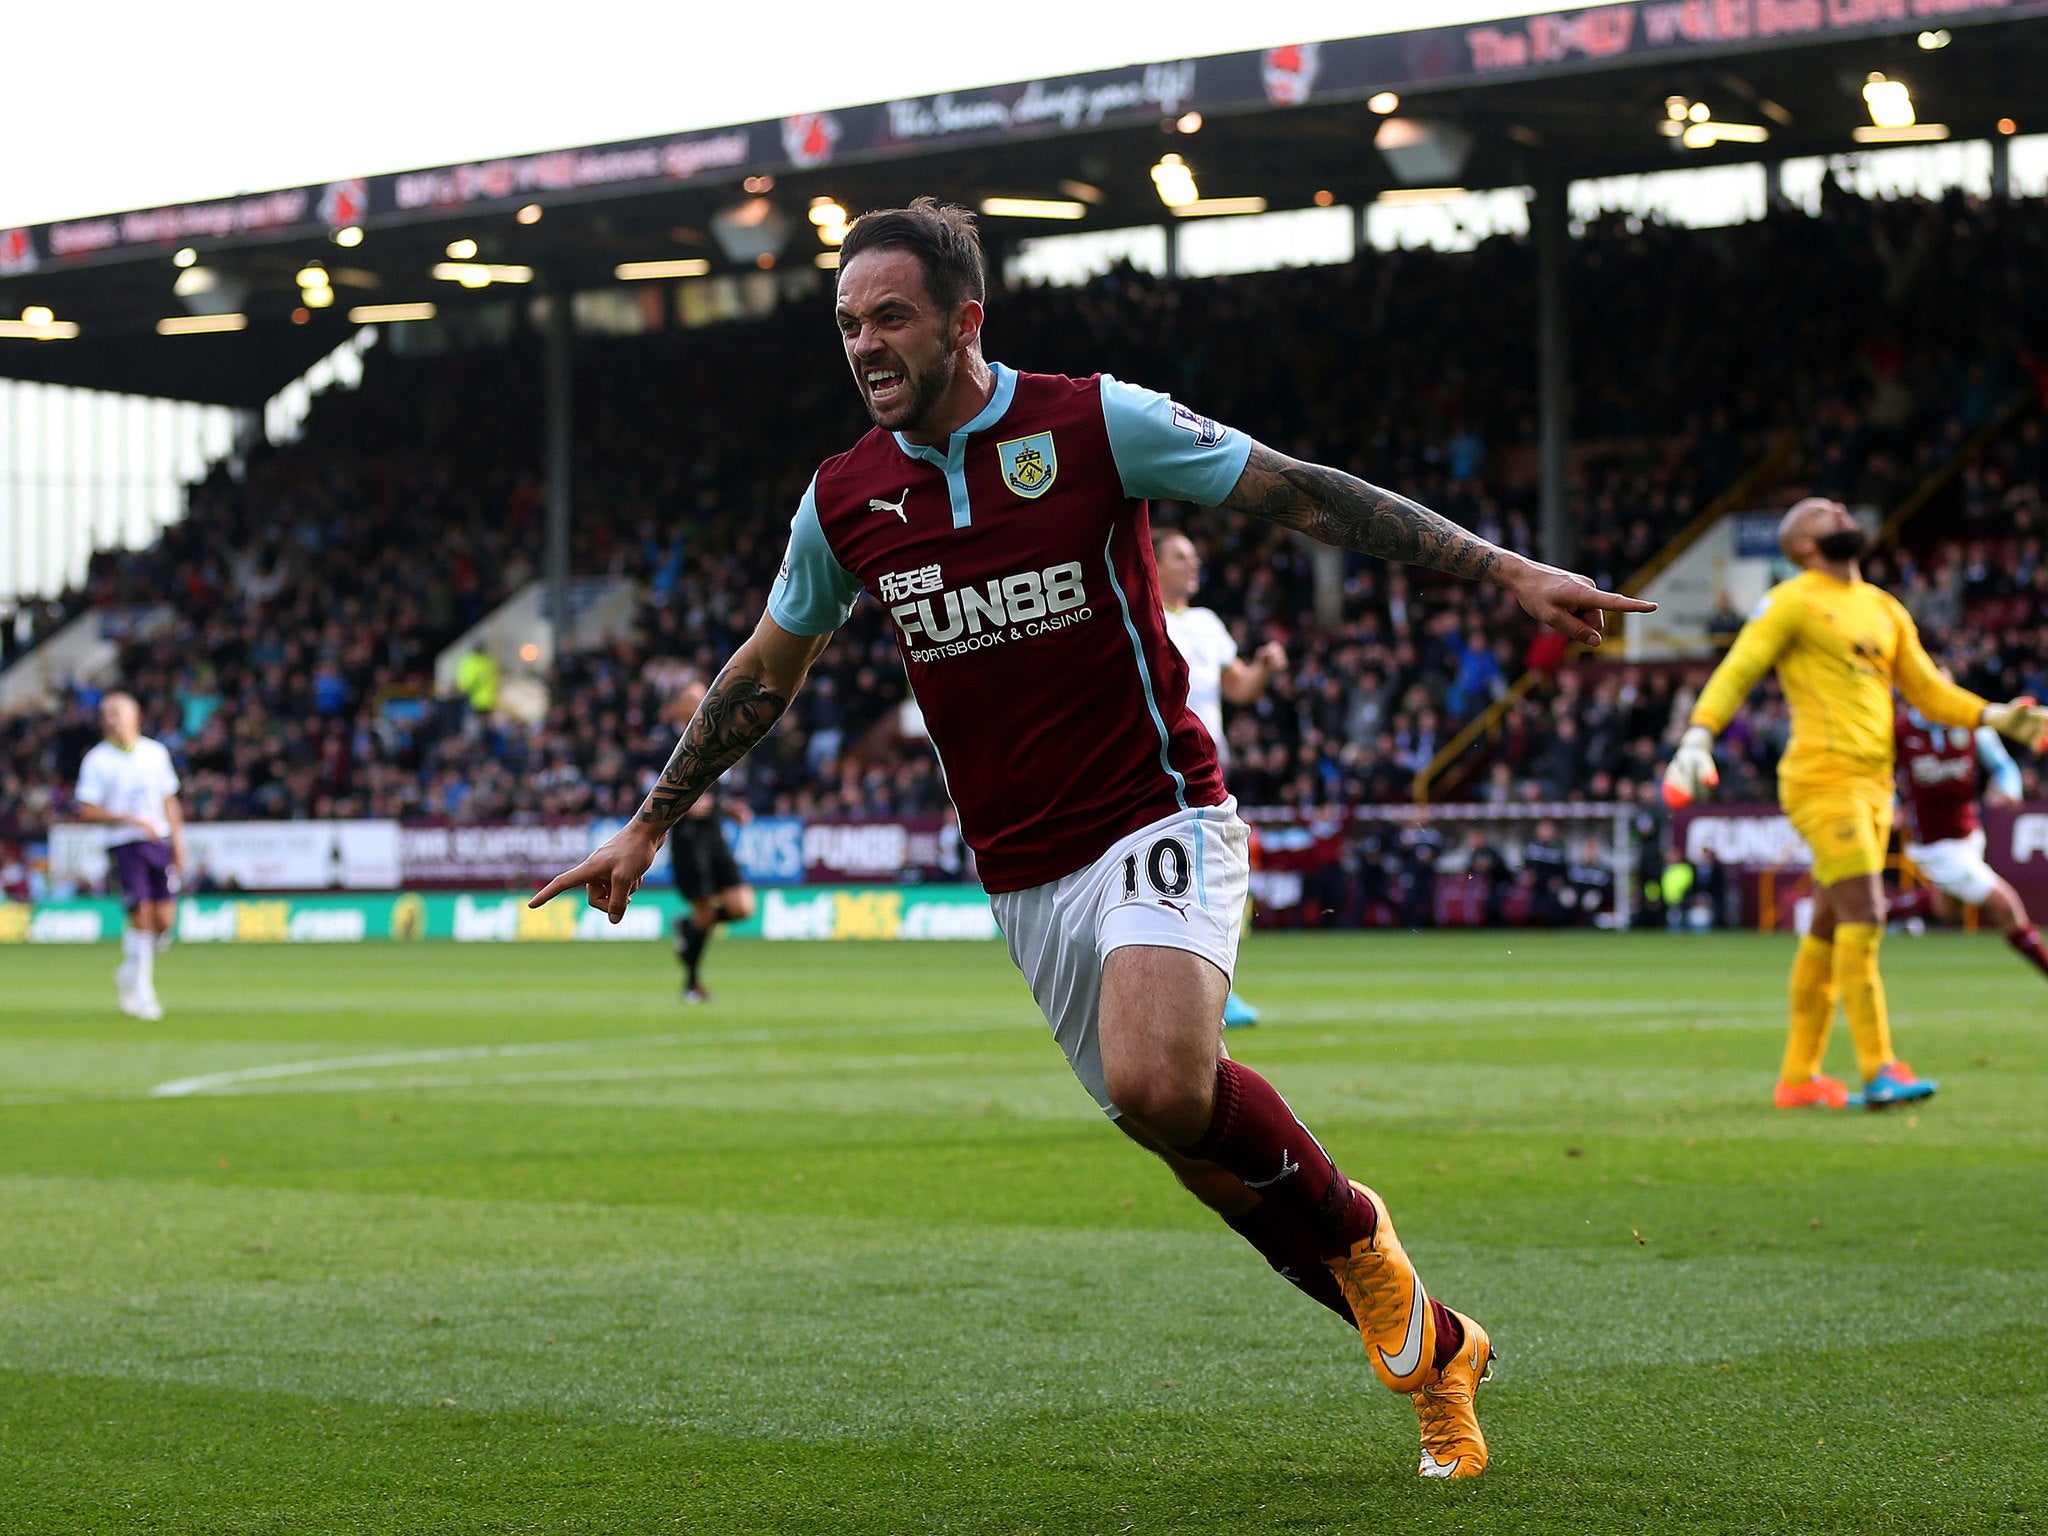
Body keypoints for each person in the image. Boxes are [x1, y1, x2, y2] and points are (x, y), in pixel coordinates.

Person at [533, 199, 1652, 1479]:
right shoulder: (844, 498)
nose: (862, 344)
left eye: (888, 317)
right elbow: (765, 671)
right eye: (846, 323)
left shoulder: (1089, 422)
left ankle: (1366, 1254)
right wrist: (647, 821)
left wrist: (1499, 569)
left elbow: (1298, 491)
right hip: (1024, 876)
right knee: (1192, 1149)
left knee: (1157, 1081)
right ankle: (1432, 1348)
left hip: (1156, 810)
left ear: (964, 321)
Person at [1663, 497, 2046, 1110]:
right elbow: (1738, 669)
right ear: (1802, 546)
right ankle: (1879, 1067)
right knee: (1866, 911)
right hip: (1822, 779)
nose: (1841, 513)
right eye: (1824, 513)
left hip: (1874, 786)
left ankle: (1798, 1078)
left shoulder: (1883, 608)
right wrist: (1698, 735)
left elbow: (1928, 691)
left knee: (1829, 923)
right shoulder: (1792, 600)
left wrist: (1995, 717)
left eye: (1841, 509)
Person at [1152, 526, 1286, 1026]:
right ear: (1155, 562)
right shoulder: (1141, 618)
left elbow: (1240, 689)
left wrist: (1265, 668)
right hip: (1155, 769)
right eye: (1182, 556)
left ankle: (1213, 986)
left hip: (1208, 772)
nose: (1194, 564)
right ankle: (1194, 988)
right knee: (1188, 879)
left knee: (1219, 877)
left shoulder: (1206, 623)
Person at [1892, 692, 2048, 982]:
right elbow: (1880, 773)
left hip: (1969, 835)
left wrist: (2008, 789)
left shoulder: (1972, 728)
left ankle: (1879, 913)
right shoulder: (1899, 732)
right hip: (1935, 845)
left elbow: (2003, 767)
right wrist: (1891, 806)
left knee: (1946, 909)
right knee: (2006, 905)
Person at [72, 692, 184, 1020]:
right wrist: (128, 819)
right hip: (123, 844)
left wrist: (179, 842)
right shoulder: (97, 759)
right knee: (141, 916)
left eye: (117, 713)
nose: (110, 720)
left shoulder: (155, 753)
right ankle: (143, 993)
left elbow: (169, 801)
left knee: (164, 922)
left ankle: (130, 969)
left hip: (158, 842)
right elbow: (86, 810)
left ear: (135, 716)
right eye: (106, 714)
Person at [664, 678, 757, 1002]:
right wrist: (680, 805)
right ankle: (691, 984)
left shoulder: (717, 738)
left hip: (715, 834)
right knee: (705, 913)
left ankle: (688, 929)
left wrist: (728, 809)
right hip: (688, 839)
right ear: (676, 708)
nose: (702, 700)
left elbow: (712, 792)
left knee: (742, 907)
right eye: (692, 696)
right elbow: (646, 792)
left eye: (704, 694)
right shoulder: (664, 745)